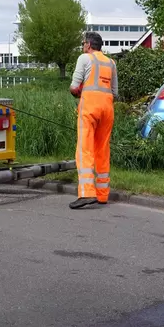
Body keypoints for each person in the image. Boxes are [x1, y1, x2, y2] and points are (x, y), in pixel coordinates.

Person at [68, 32, 118, 209]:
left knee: (85, 149)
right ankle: (103, 195)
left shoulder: (84, 58)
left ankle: (87, 193)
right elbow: (115, 92)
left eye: (83, 44)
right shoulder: (111, 63)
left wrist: (78, 92)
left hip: (89, 108)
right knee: (102, 149)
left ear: (89, 45)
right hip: (107, 109)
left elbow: (74, 87)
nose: (83, 47)